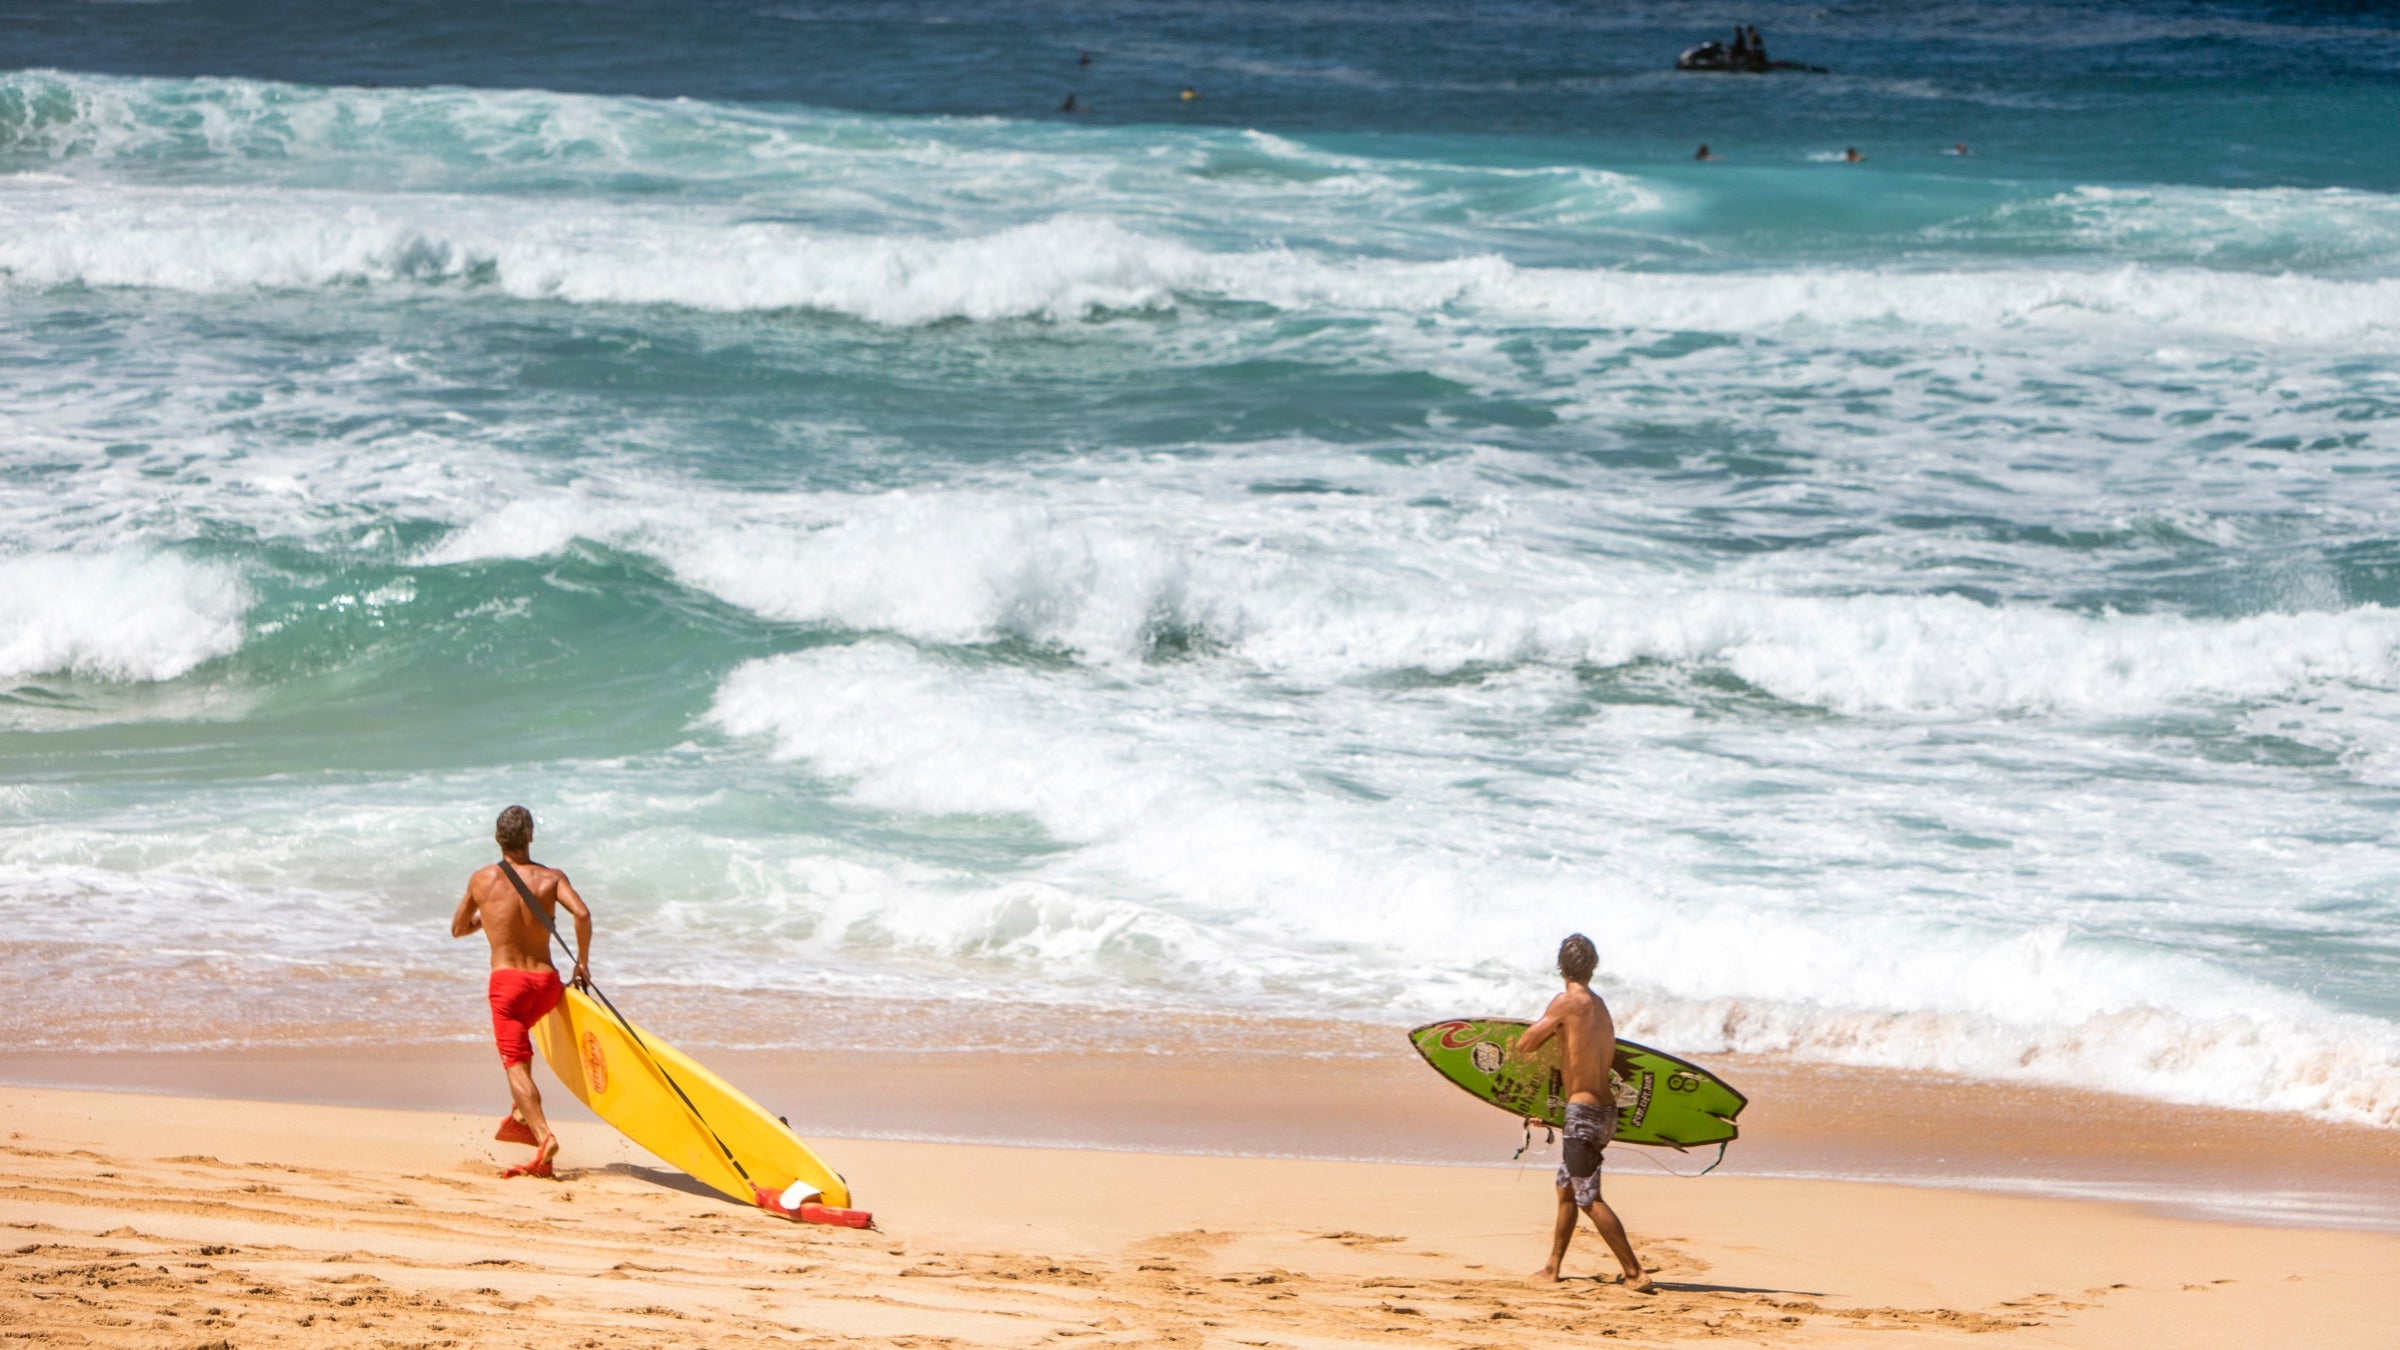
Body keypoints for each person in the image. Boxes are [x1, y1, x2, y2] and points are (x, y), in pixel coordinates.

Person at [450, 805, 592, 1179]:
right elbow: (582, 914)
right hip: (547, 985)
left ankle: (543, 1136)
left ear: (498, 839)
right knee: (522, 1048)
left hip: (508, 985)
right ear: (530, 836)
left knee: (513, 1062)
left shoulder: (482, 880)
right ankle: (518, 1115)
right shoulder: (551, 878)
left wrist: (490, 917)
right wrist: (582, 963)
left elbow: (458, 928)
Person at [1514, 933, 1652, 1291]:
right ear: (1593, 967)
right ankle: (1552, 1266)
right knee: (1566, 1188)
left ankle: (1635, 1273)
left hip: (1583, 1114)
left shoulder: (1565, 1002)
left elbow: (1526, 1044)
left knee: (1588, 1197)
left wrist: (1547, 1027)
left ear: (1562, 965)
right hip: (1605, 1112)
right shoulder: (1600, 1006)